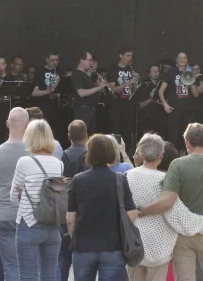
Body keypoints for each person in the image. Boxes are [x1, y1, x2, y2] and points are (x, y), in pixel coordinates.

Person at [141, 123, 203, 281]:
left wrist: (141, 211)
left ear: (186, 142)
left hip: (182, 234)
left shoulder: (177, 165)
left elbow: (168, 201)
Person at [127, 133, 203, 281]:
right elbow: (178, 216)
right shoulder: (165, 180)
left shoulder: (125, 176)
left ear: (140, 153)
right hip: (158, 246)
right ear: (161, 155)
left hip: (132, 244)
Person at [67, 134, 138, 281]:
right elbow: (132, 214)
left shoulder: (78, 180)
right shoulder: (119, 179)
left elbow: (70, 218)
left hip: (83, 246)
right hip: (113, 246)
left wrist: (75, 237)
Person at [10, 120, 64, 281]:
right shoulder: (59, 164)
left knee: (28, 276)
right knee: (49, 275)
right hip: (53, 224)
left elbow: (13, 197)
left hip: (29, 222)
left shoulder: (24, 162)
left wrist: (22, 194)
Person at [0, 107, 31, 281]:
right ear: (27, 126)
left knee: (10, 266)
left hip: (2, 213)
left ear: (7, 124)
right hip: (29, 215)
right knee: (29, 266)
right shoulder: (33, 154)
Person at [59, 119, 92, 281]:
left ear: (68, 136)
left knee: (63, 255)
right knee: (83, 256)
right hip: (84, 212)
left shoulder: (61, 156)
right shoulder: (90, 157)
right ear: (86, 136)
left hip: (64, 208)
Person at [159, 52, 199, 149]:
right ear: (176, 60)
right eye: (180, 58)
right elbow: (161, 91)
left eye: (184, 58)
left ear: (187, 60)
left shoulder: (190, 73)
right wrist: (165, 104)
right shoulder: (171, 72)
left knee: (187, 137)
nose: (182, 60)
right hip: (174, 109)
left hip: (187, 109)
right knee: (173, 136)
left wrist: (191, 81)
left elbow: (196, 94)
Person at [31, 51, 67, 142]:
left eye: (57, 60)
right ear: (47, 59)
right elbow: (34, 93)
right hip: (45, 107)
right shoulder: (40, 72)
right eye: (52, 60)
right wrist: (48, 91)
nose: (55, 62)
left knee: (58, 133)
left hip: (58, 107)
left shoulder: (60, 71)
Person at [73, 51, 110, 134]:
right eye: (89, 60)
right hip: (83, 110)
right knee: (83, 135)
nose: (91, 63)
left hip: (90, 109)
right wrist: (99, 87)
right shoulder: (77, 74)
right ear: (82, 60)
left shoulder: (86, 75)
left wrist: (99, 85)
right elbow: (81, 93)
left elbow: (91, 91)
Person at [109, 48, 138, 150]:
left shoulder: (131, 70)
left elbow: (134, 91)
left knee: (127, 134)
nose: (130, 58)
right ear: (121, 56)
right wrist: (128, 82)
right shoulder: (114, 70)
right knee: (116, 133)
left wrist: (135, 83)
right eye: (127, 56)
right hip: (117, 106)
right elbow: (112, 89)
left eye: (131, 56)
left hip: (128, 106)